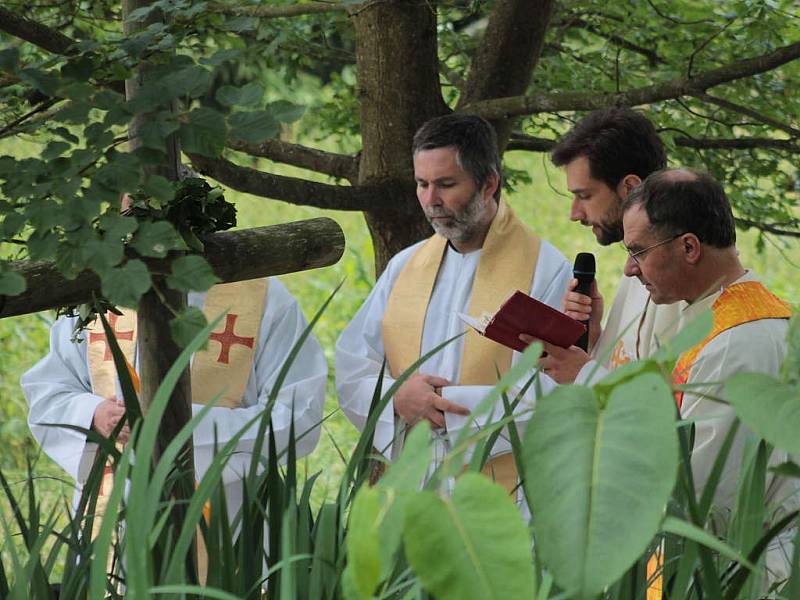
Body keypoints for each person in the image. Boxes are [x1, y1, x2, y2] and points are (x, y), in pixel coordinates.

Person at [537, 169, 796, 585]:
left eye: (637, 251)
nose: (628, 270)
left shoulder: (734, 343)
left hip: (741, 577)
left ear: (689, 247)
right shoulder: (734, 316)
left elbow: (701, 500)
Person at [336, 114, 572, 494]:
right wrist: (396, 397)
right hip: (411, 485)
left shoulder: (545, 269)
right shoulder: (404, 267)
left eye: (446, 184)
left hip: (503, 492)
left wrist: (449, 409)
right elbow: (354, 365)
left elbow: (556, 386)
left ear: (489, 184)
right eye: (422, 184)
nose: (431, 201)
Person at [22, 277, 327, 526]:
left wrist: (179, 426)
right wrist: (96, 414)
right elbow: (50, 394)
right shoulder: (98, 292)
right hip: (117, 510)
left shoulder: (261, 296)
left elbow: (299, 415)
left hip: (231, 511)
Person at [550, 107, 678, 377]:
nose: (575, 215)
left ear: (631, 187)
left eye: (584, 196)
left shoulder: (680, 276)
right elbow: (622, 367)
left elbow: (664, 407)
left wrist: (582, 373)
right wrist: (595, 336)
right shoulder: (636, 262)